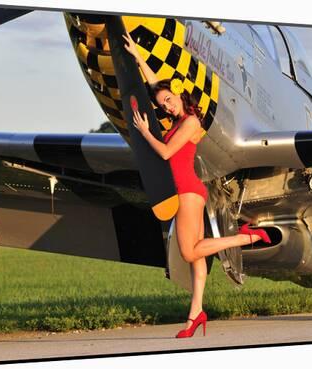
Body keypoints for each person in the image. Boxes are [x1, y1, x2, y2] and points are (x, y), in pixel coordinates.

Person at [123, 33, 271, 338]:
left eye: (168, 101)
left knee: (190, 253)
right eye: (162, 104)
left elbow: (165, 152)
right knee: (198, 260)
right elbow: (156, 86)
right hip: (187, 190)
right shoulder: (177, 116)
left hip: (188, 191)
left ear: (179, 94)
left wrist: (143, 130)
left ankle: (246, 239)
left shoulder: (191, 121)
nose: (165, 106)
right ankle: (195, 315)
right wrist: (137, 56)